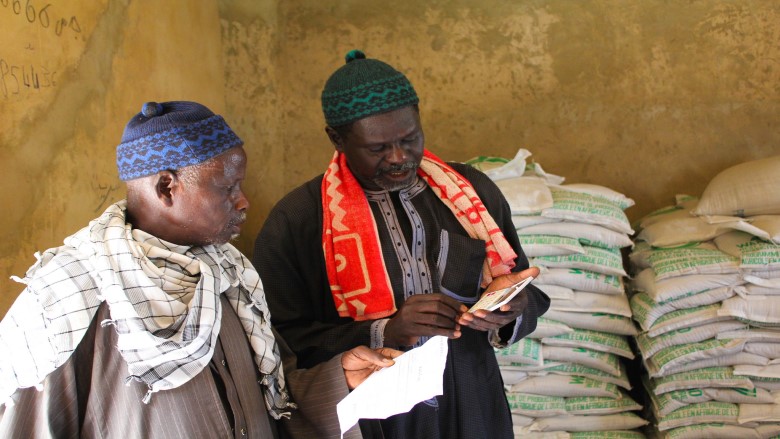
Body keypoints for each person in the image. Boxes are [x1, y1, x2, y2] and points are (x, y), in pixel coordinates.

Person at [0, 101, 399, 439]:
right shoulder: (69, 299)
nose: (243, 202)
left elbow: (273, 395)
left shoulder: (228, 273)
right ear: (166, 188)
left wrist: (338, 379)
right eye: (227, 188)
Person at [253, 50, 550, 438]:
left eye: (410, 139)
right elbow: (282, 343)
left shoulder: (471, 195)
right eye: (377, 148)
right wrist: (384, 332)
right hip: (374, 421)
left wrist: (512, 308)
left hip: (474, 406)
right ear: (337, 140)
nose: (398, 158)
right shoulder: (298, 220)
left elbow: (521, 289)